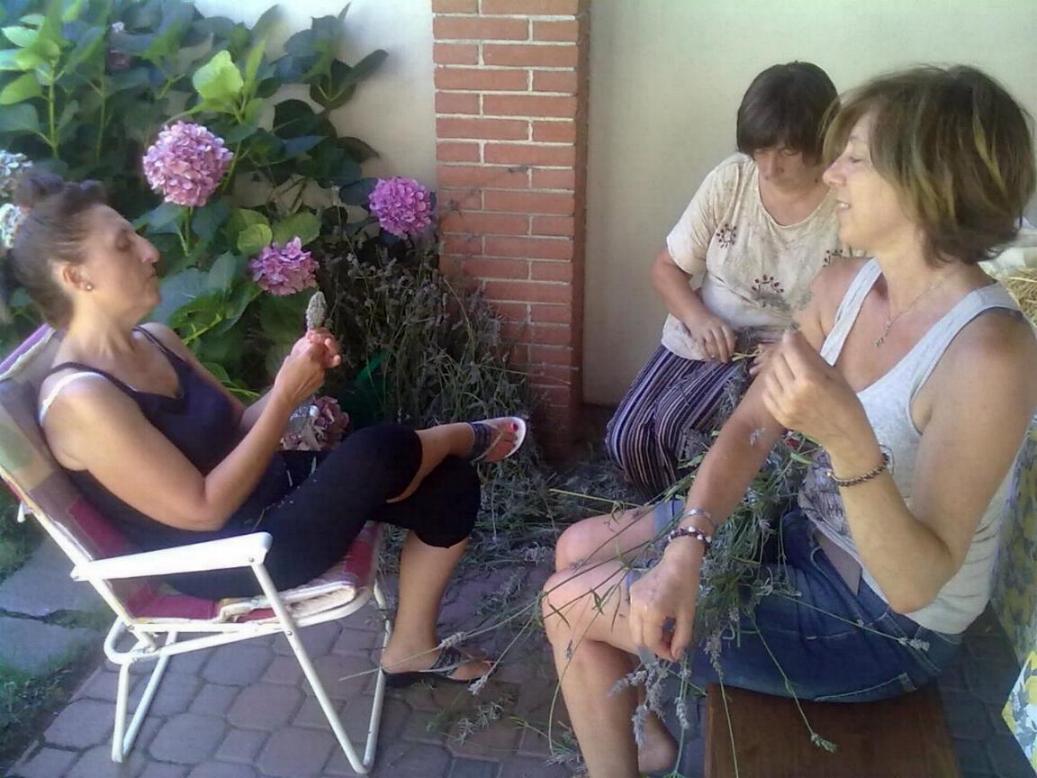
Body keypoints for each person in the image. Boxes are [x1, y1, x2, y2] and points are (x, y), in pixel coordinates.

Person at [543, 65, 1037, 777]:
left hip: (879, 623)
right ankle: (644, 735)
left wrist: (845, 438)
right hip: (796, 530)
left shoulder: (989, 352)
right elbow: (751, 427)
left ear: (924, 181)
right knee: (576, 546)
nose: (831, 174)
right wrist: (687, 547)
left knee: (568, 602)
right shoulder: (843, 287)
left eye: (854, 158)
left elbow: (914, 584)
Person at [7, 172, 528, 687]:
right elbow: (203, 510)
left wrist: (291, 379)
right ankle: (463, 436)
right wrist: (283, 399)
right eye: (124, 245)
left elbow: (239, 427)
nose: (149, 252)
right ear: (75, 277)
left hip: (270, 497)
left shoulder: (157, 339)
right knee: (379, 449)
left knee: (449, 485)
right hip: (236, 555)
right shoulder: (81, 399)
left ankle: (410, 649)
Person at [606, 62, 849, 497]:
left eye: (786, 152)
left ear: (820, 141)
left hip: (781, 352)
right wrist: (698, 318)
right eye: (760, 151)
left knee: (685, 435)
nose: (769, 168)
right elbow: (667, 269)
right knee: (626, 439)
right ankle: (668, 516)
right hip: (709, 332)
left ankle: (704, 521)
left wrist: (802, 353)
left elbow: (866, 310)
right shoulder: (732, 180)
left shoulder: (845, 202)